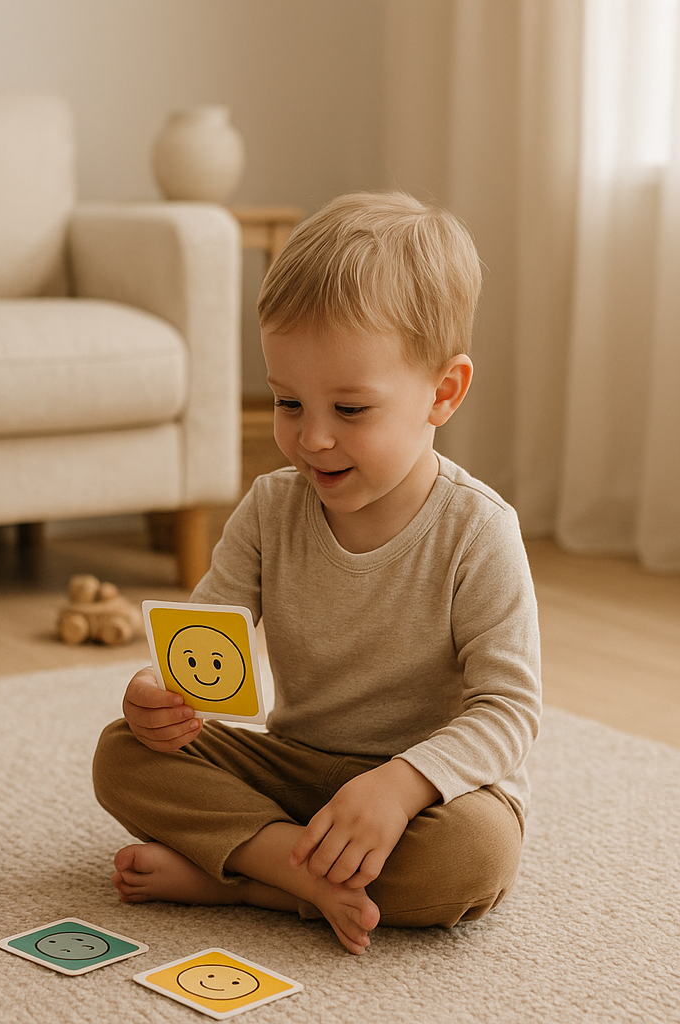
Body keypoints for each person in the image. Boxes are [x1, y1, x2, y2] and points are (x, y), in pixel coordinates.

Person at [92, 192, 540, 954]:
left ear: (444, 393)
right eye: (288, 401)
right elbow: (205, 650)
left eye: (352, 409)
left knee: (476, 858)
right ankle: (300, 873)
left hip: (428, 794)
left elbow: (508, 712)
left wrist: (401, 786)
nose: (313, 438)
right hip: (296, 768)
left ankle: (242, 879)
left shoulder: (478, 531)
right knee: (121, 755)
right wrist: (157, 697)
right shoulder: (271, 508)